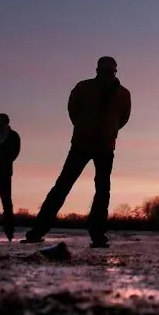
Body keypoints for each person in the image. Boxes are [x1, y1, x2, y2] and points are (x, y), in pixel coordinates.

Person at [22, 56, 131, 248]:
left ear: (114, 72)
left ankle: (98, 234)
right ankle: (37, 231)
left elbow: (123, 118)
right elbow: (72, 110)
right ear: (97, 71)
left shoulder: (123, 94)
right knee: (63, 186)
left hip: (105, 147)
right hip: (81, 144)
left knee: (102, 191)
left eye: (109, 71)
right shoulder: (83, 87)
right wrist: (83, 127)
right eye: (103, 70)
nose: (106, 74)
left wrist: (109, 131)